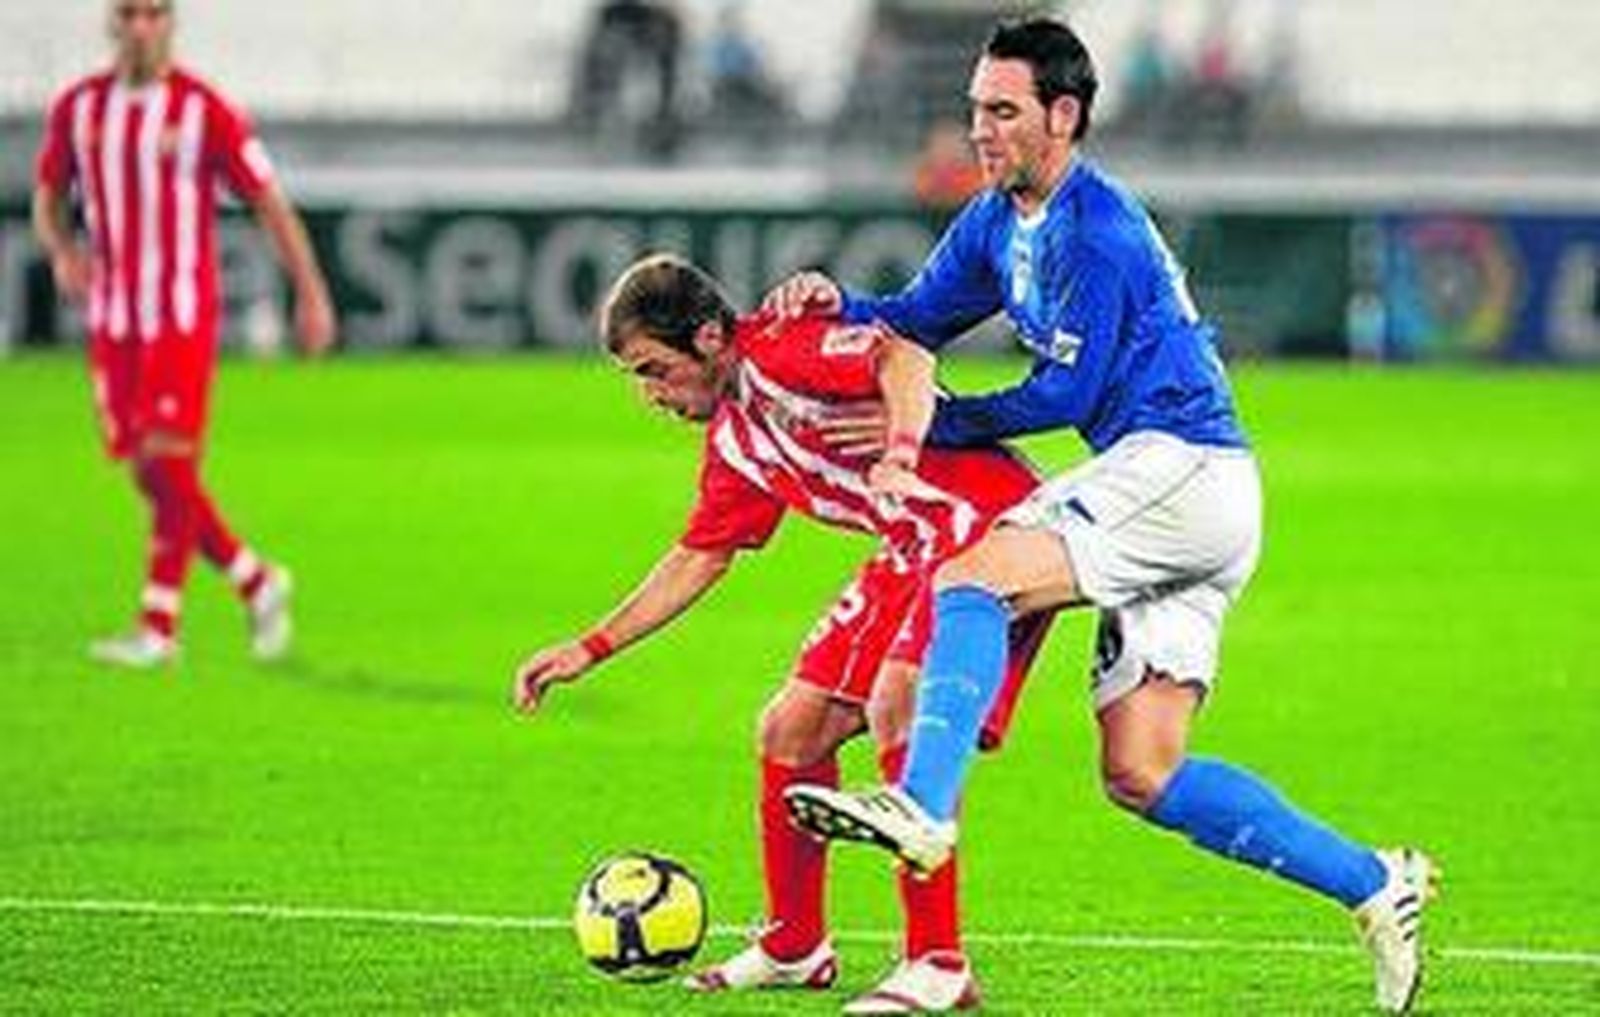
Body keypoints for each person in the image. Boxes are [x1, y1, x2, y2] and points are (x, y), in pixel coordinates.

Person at [765, 17, 1438, 1014]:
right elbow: (916, 316)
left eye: (1003, 111)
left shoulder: (1100, 230)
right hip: (1174, 493)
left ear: (1064, 116)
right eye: (975, 109)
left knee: (971, 574)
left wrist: (941, 421)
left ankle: (921, 805)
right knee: (1142, 769)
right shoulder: (994, 221)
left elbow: (1066, 395)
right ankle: (1375, 881)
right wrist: (839, 305)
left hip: (1179, 466)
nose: (980, 129)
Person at [512, 253, 1053, 1013]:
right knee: (790, 730)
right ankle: (797, 944)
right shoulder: (736, 438)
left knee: (898, 699)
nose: (651, 394)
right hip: (914, 544)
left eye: (655, 370)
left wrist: (899, 453)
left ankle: (938, 961)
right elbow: (702, 554)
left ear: (708, 337)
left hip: (988, 527)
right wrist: (589, 646)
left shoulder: (781, 349)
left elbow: (905, 356)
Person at [32, 0, 335, 668]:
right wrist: (62, 251)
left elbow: (268, 201)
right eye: (129, 13)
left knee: (168, 463)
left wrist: (309, 291)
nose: (141, 26)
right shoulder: (79, 108)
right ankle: (256, 580)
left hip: (180, 315)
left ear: (171, 22)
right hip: (114, 320)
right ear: (112, 23)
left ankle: (158, 626)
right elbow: (47, 197)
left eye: (154, 13)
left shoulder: (204, 109)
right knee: (150, 473)